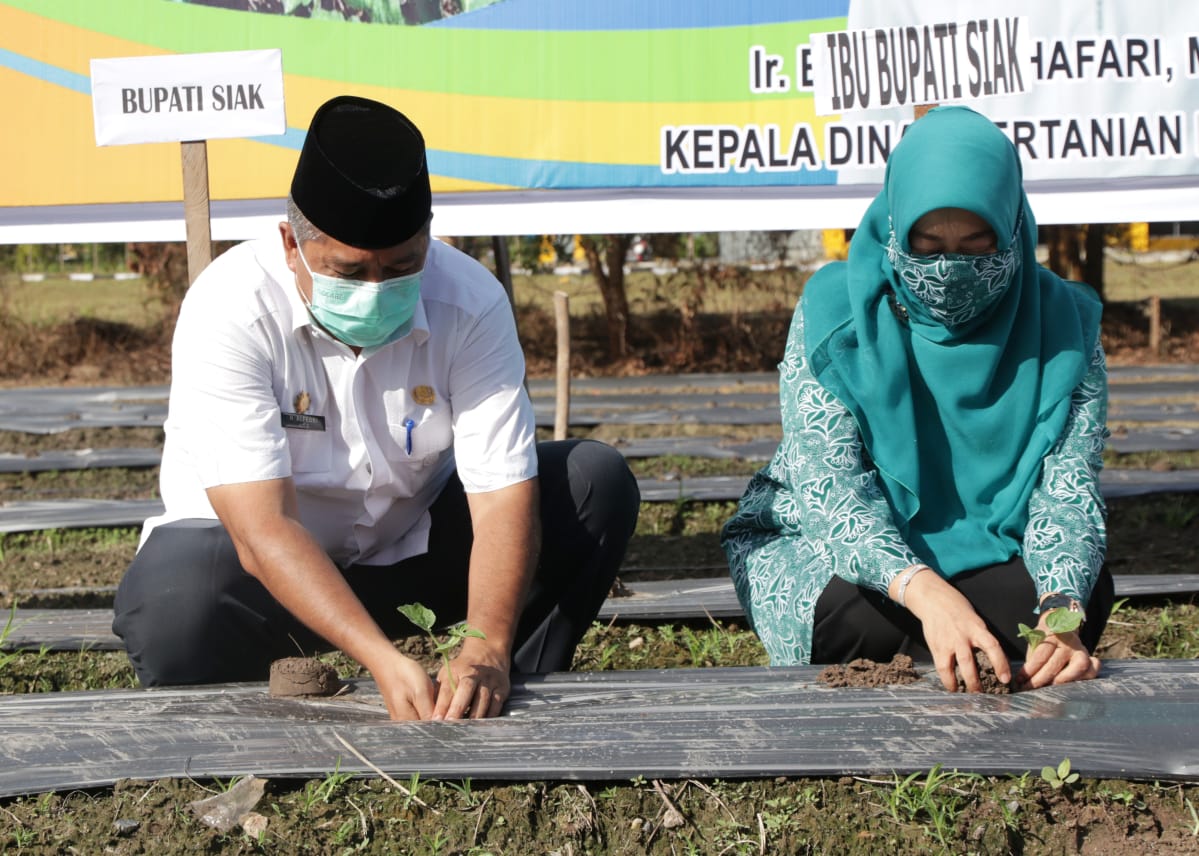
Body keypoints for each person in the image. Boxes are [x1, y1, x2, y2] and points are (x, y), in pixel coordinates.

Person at [113, 95, 640, 720]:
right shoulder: (230, 307)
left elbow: (501, 496)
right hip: (265, 580)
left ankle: (489, 689)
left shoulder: (469, 302)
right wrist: (378, 657)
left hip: (405, 553)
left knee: (590, 483)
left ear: (428, 240)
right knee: (175, 595)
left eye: (401, 267)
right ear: (291, 244)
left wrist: (486, 642)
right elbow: (263, 531)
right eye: (349, 271)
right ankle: (258, 713)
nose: (376, 291)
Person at [721, 106, 1113, 693]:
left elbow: (1068, 488)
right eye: (927, 244)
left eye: (978, 243)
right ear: (895, 227)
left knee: (1075, 598)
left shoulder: (1064, 326)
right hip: (829, 546)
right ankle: (960, 642)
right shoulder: (837, 312)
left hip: (992, 545)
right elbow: (832, 491)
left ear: (1012, 228)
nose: (951, 266)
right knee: (847, 617)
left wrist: (1059, 609)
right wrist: (925, 591)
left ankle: (970, 646)